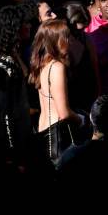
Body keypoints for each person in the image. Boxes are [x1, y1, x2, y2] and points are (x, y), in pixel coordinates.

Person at [0, 5, 32, 168]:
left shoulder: (13, 56)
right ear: (14, 29)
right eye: (24, 23)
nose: (29, 26)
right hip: (12, 147)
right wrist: (12, 153)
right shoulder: (5, 66)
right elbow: (7, 112)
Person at [29, 19, 84, 167]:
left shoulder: (41, 65)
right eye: (66, 37)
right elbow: (64, 112)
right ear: (55, 40)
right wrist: (81, 120)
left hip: (41, 133)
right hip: (58, 137)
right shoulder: (57, 67)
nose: (70, 41)